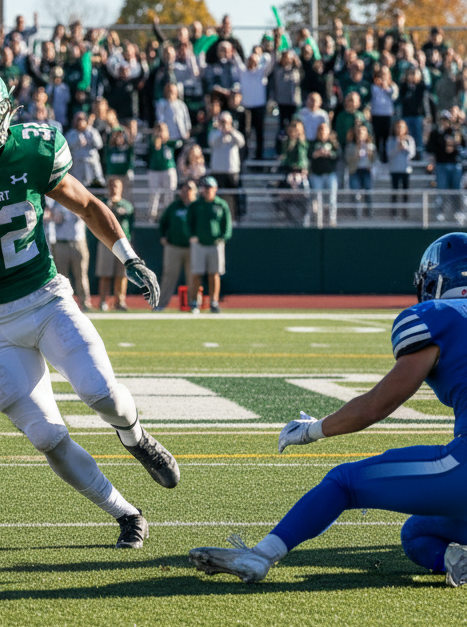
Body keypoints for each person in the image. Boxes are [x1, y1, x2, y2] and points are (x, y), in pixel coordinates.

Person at [0, 62, 177, 550]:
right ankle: (126, 513)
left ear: (2, 115)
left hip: (46, 298)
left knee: (101, 392)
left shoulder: (35, 147)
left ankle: (135, 438)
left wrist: (127, 256)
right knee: (46, 436)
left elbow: (88, 205)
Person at [189, 233, 467, 587]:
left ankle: (261, 555)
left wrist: (314, 429)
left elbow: (379, 404)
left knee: (343, 483)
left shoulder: (438, 315)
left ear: (438, 281)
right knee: (418, 532)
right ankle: (455, 563)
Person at [187, 176, 231, 314]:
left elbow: (227, 224)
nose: (206, 191)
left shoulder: (221, 204)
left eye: (209, 188)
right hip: (199, 244)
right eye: (204, 188)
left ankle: (214, 302)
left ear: (215, 189)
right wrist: (192, 236)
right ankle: (195, 302)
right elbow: (188, 222)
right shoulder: (196, 205)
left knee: (214, 274)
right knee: (196, 274)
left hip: (215, 244)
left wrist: (223, 237)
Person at [95, 177, 134, 311]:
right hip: (107, 241)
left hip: (123, 242)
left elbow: (129, 219)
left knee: (121, 275)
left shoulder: (126, 204)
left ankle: (119, 301)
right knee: (105, 273)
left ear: (121, 188)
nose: (114, 189)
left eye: (116, 186)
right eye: (111, 186)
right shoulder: (104, 203)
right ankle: (103, 301)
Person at [157, 179, 197, 310]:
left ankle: (194, 303)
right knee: (169, 276)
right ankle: (161, 304)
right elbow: (163, 222)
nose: (186, 192)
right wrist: (163, 236)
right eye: (184, 190)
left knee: (193, 277)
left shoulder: (198, 206)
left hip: (193, 248)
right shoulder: (174, 206)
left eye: (189, 189)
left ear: (195, 192)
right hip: (173, 246)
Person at [49, 200, 92, 311]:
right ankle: (65, 303)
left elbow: (85, 215)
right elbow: (48, 214)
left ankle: (85, 302)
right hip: (60, 242)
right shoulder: (55, 202)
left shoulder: (77, 200)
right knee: (62, 276)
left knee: (81, 274)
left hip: (77, 241)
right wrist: (54, 216)